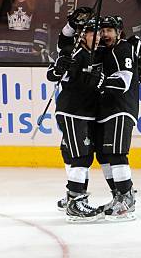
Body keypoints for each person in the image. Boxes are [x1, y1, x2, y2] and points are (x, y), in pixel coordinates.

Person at [46, 16, 105, 222]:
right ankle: (75, 203)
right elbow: (55, 75)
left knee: (80, 155)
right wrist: (60, 68)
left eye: (98, 34)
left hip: (82, 113)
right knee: (81, 157)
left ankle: (75, 198)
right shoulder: (78, 54)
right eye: (92, 33)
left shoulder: (93, 55)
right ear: (83, 36)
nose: (97, 38)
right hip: (72, 112)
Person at [94, 15, 141, 221]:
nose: (105, 34)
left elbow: (124, 81)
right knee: (103, 155)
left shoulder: (123, 49)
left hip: (121, 109)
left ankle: (127, 198)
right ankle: (118, 195)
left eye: (109, 31)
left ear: (119, 32)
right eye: (102, 30)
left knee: (116, 153)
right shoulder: (102, 52)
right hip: (106, 110)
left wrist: (97, 81)